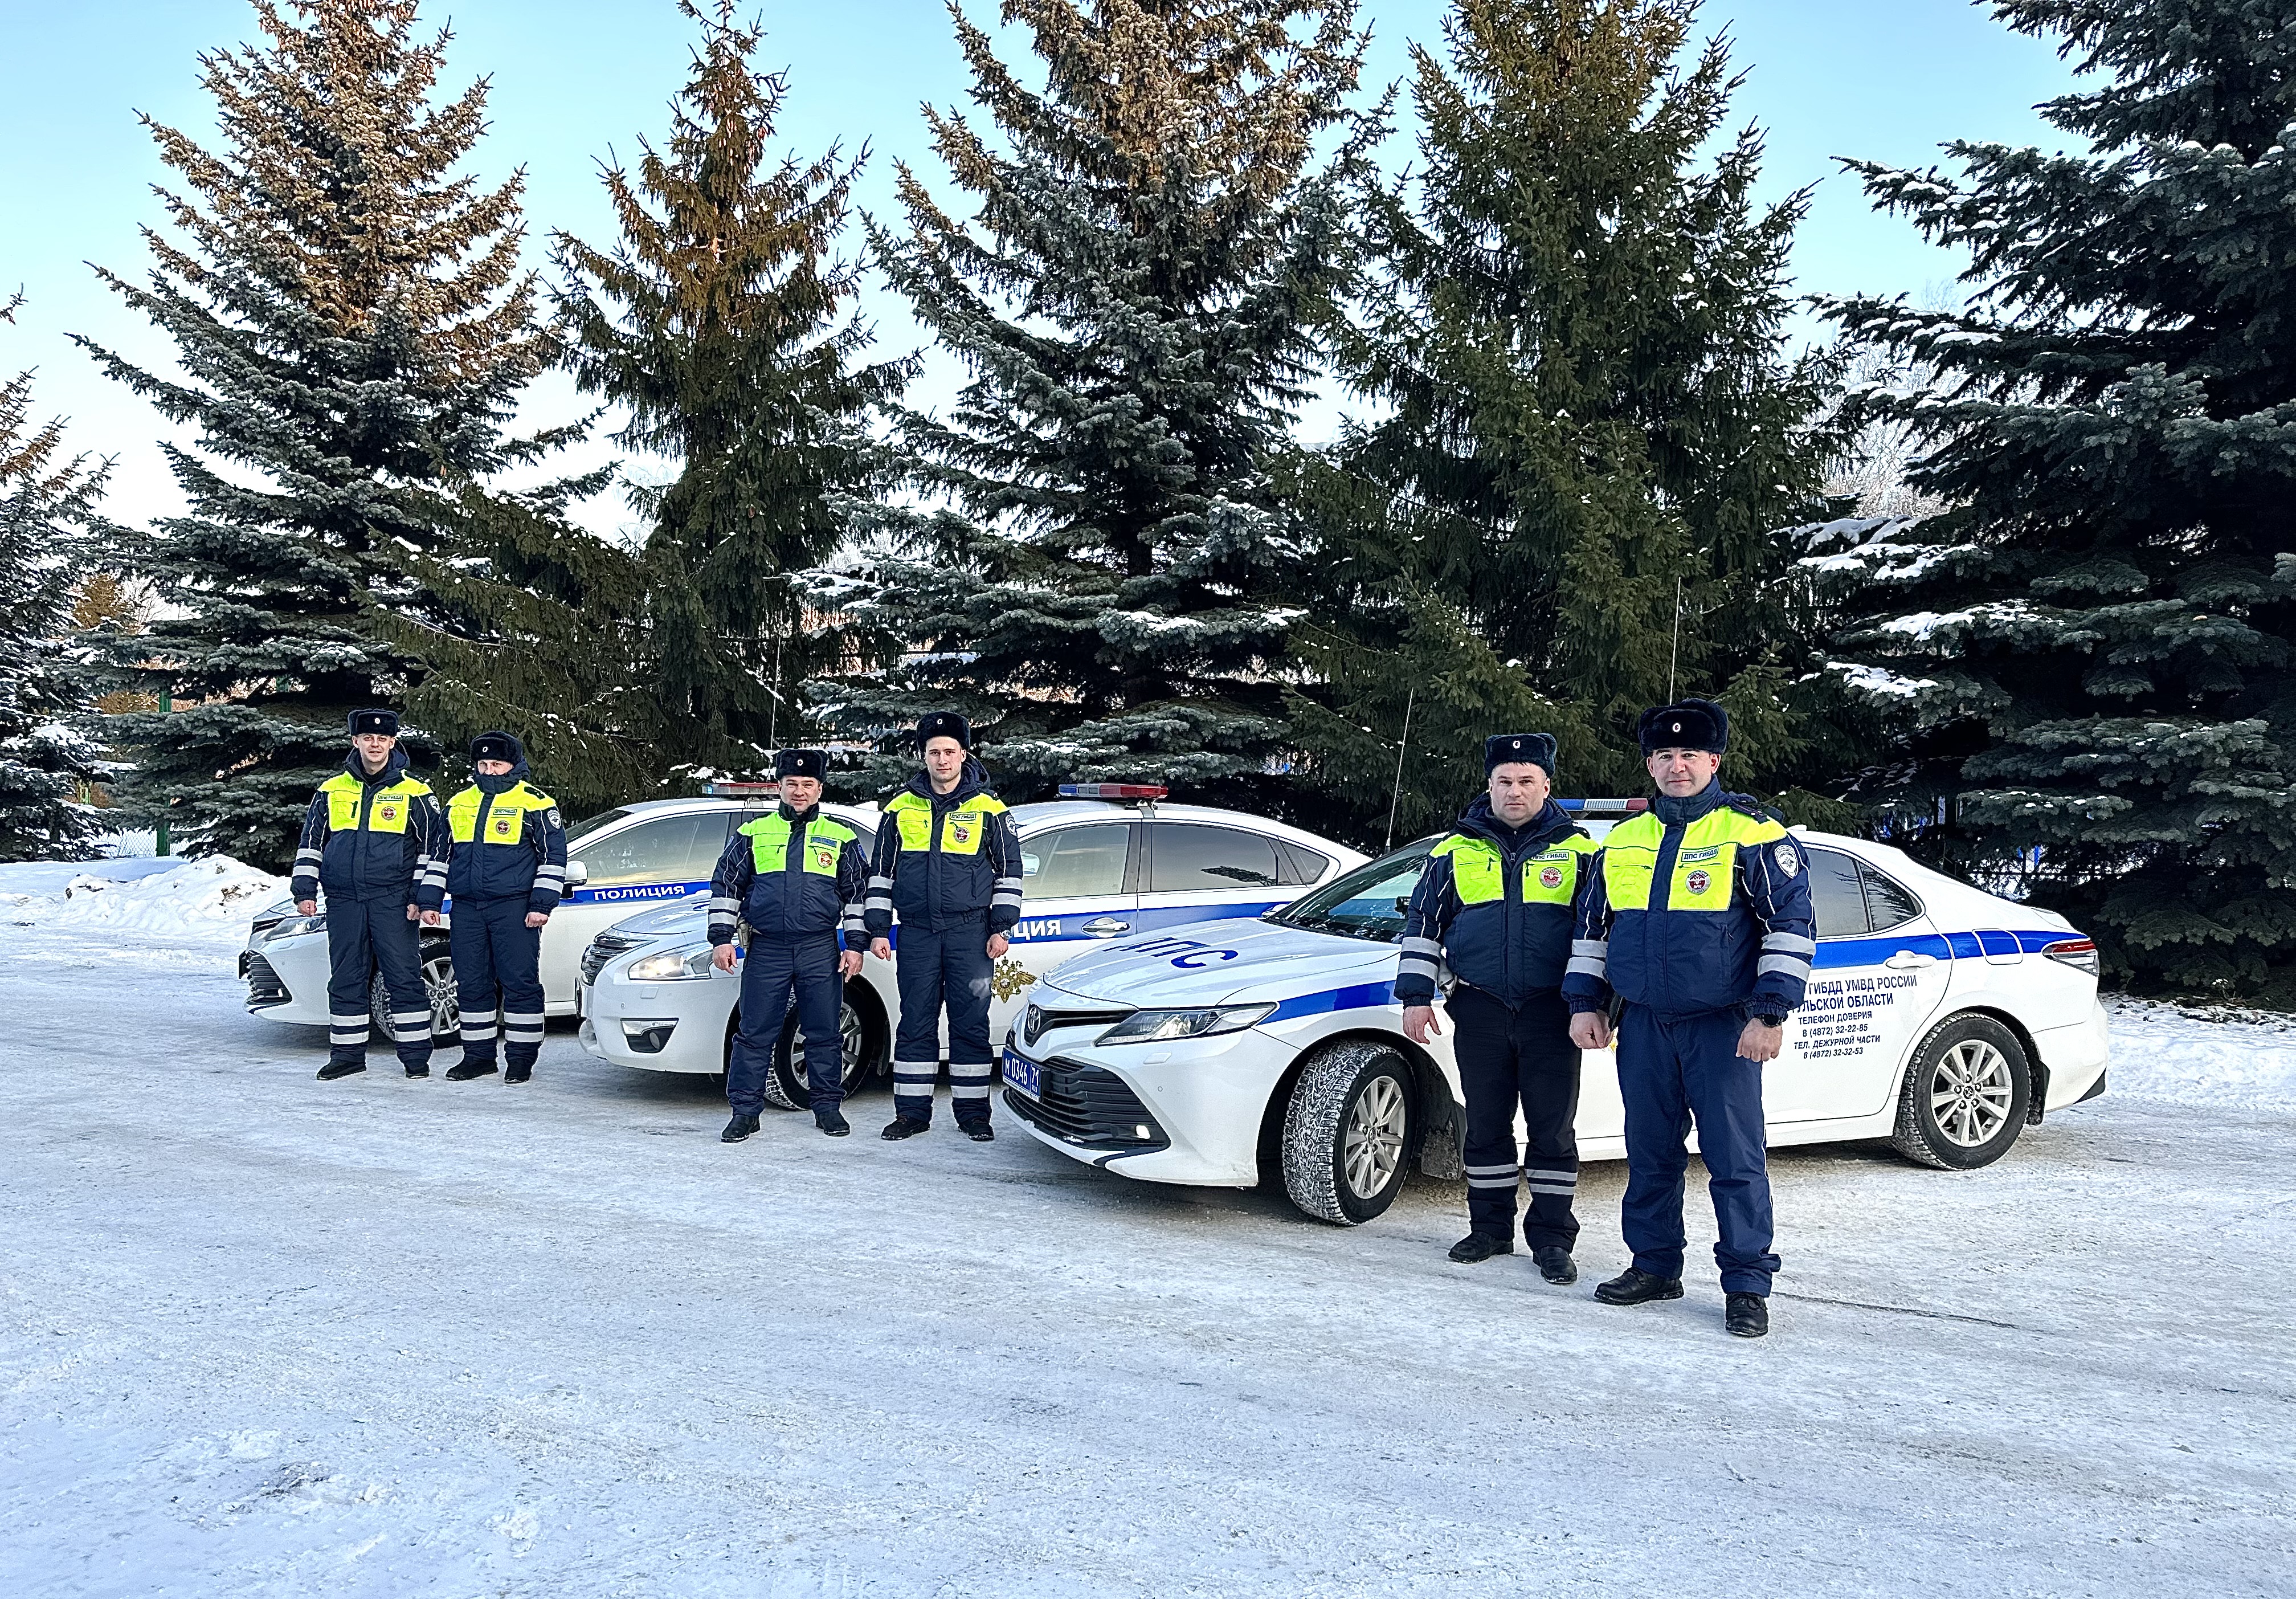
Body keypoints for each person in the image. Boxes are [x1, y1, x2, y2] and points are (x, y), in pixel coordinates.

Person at [1562, 698, 1815, 1339]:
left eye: (1689, 755)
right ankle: (1653, 1265)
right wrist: (1585, 1002)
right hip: (1644, 1024)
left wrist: (1770, 1012)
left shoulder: (1752, 833)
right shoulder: (1622, 839)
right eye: (1664, 755)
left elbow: (1789, 927)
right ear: (1650, 763)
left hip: (1722, 1025)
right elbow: (1592, 929)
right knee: (1648, 1153)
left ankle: (1746, 1284)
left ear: (1714, 760)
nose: (1677, 766)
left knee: (1734, 1160)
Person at [1398, 733, 1599, 1282]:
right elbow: (1422, 928)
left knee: (1553, 1129)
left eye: (1526, 781)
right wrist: (1417, 997)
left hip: (1550, 1012)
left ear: (1546, 785)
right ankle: (1489, 1229)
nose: (1515, 791)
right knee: (1485, 1125)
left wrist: (1590, 1003)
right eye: (1505, 782)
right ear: (1489, 786)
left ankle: (1553, 1239)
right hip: (1480, 1007)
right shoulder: (1453, 851)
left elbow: (1594, 934)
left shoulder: (1579, 852)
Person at [863, 712, 1023, 1143]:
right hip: (916, 932)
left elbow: (1010, 873)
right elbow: (880, 875)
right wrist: (879, 929)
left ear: (963, 754)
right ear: (924, 756)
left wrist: (1001, 927)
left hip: (970, 933)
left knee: (970, 1024)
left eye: (950, 751)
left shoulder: (989, 809)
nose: (942, 759)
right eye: (934, 752)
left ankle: (974, 1115)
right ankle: (911, 1114)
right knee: (915, 1022)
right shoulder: (899, 808)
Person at [706, 749, 869, 1141]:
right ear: (779, 786)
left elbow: (857, 895)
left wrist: (855, 945)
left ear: (820, 789)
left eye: (807, 785)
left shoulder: (840, 836)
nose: (799, 792)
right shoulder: (752, 834)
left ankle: (828, 1107)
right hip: (768, 948)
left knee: (825, 1031)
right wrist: (721, 939)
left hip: (819, 948)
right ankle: (745, 1112)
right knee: (754, 1033)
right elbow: (726, 886)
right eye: (792, 784)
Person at [289, 709, 448, 1082]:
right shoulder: (331, 791)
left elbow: (434, 850)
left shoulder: (416, 793)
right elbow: (311, 844)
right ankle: (347, 1056)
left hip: (394, 901)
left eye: (382, 739)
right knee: (346, 977)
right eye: (367, 738)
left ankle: (415, 1058)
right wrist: (305, 889)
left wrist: (423, 898)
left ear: (392, 743)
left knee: (403, 977)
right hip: (344, 900)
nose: (375, 745)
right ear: (355, 742)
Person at [419, 732, 566, 1084]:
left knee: (520, 984)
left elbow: (553, 859)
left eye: (497, 764)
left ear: (513, 765)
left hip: (515, 908)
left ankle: (520, 1061)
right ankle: (479, 1058)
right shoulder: (458, 804)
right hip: (468, 908)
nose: (489, 771)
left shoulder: (536, 803)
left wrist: (541, 905)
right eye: (483, 764)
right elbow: (441, 858)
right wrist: (429, 901)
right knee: (471, 984)